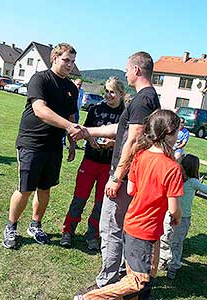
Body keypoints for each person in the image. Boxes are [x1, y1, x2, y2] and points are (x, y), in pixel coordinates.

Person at [74, 109, 183, 300]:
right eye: (177, 132)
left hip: (133, 223)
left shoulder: (140, 155)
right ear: (169, 134)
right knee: (139, 280)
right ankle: (90, 297)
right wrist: (176, 217)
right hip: (146, 230)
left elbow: (131, 189)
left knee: (149, 272)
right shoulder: (172, 168)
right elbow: (174, 209)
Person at [74, 51, 161, 288]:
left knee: (111, 227)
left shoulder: (143, 100)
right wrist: (87, 131)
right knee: (119, 226)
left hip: (124, 178)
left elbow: (132, 140)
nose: (125, 73)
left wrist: (116, 176)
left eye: (127, 69)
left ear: (136, 70)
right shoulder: (147, 98)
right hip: (129, 177)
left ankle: (108, 280)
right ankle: (121, 274)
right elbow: (120, 129)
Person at [2, 43, 86, 249]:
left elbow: (71, 116)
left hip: (54, 145)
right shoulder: (40, 79)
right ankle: (11, 227)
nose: (70, 65)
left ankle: (35, 225)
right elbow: (39, 110)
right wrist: (69, 126)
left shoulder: (71, 88)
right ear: (54, 58)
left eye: (73, 61)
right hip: (32, 142)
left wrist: (72, 143)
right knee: (25, 189)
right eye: (66, 60)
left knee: (45, 188)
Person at [60, 77, 125, 251]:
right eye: (106, 91)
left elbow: (128, 139)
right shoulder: (96, 109)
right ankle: (68, 231)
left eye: (112, 92)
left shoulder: (126, 114)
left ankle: (93, 235)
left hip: (109, 165)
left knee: (100, 203)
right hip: (90, 160)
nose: (108, 95)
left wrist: (113, 143)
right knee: (79, 198)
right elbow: (85, 130)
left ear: (121, 94)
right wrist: (90, 138)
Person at [159, 154, 207, 279]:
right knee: (177, 243)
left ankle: (163, 261)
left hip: (169, 214)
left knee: (165, 238)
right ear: (195, 168)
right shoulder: (193, 182)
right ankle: (173, 267)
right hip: (183, 218)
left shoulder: (175, 178)